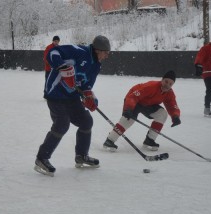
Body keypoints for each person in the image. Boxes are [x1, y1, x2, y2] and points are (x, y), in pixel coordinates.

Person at [34, 35, 111, 177]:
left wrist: (89, 97)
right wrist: (62, 67)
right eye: (106, 52)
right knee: (62, 123)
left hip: (72, 97)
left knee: (86, 121)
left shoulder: (96, 65)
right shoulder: (79, 51)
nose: (107, 56)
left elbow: (87, 84)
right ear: (97, 50)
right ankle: (41, 158)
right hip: (55, 94)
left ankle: (81, 155)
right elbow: (53, 52)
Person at [103, 70, 181, 152]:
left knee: (162, 114)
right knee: (129, 119)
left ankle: (149, 140)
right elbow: (133, 97)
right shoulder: (151, 86)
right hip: (134, 100)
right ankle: (110, 140)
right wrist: (128, 109)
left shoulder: (169, 93)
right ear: (162, 80)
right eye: (166, 81)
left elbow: (172, 105)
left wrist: (175, 116)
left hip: (148, 105)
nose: (167, 85)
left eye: (170, 84)